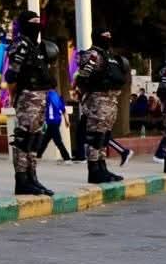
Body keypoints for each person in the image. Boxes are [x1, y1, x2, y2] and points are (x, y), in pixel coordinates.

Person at [3, 10, 55, 196]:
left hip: (40, 97)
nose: (37, 25)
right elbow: (11, 75)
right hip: (27, 97)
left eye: (38, 21)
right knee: (24, 139)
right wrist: (14, 97)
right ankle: (22, 180)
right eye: (33, 21)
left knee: (35, 138)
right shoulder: (21, 45)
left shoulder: (37, 47)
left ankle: (32, 177)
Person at [73, 28, 128, 184]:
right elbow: (83, 77)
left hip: (111, 100)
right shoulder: (92, 55)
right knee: (95, 137)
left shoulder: (110, 56)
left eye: (110, 35)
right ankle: (94, 170)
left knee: (104, 137)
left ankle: (102, 168)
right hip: (97, 100)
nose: (108, 37)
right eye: (105, 35)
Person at [43, 87, 73, 163]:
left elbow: (43, 108)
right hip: (56, 121)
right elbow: (63, 110)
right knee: (45, 140)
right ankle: (38, 156)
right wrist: (66, 121)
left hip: (52, 122)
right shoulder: (57, 97)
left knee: (57, 141)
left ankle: (67, 158)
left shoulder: (47, 96)